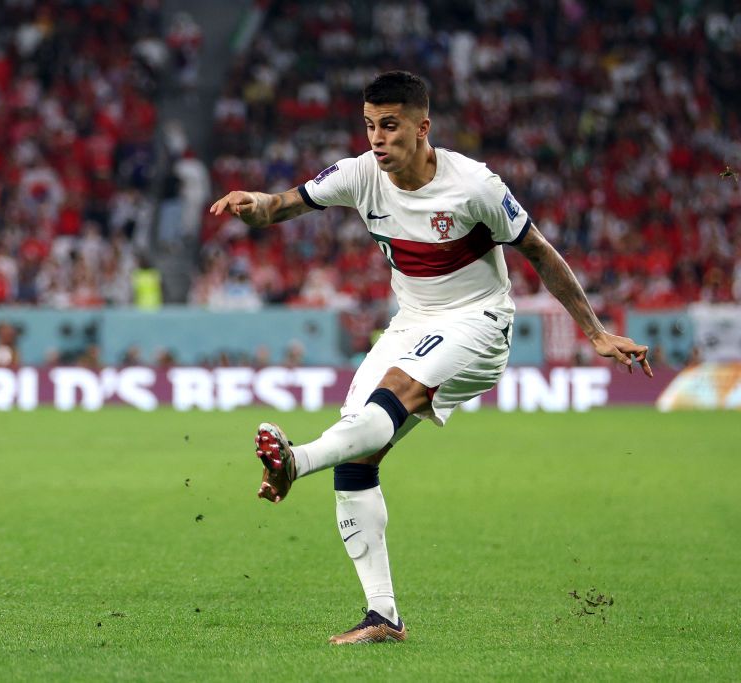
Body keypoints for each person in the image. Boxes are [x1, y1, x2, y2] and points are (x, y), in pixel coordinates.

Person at [208, 71, 652, 646]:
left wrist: (594, 333)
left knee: (392, 394)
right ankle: (383, 617)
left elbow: (539, 251)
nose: (376, 138)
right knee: (359, 452)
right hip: (411, 324)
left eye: (389, 126)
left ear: (423, 128)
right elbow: (283, 206)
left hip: (480, 322)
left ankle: (295, 461)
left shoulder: (475, 187)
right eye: (369, 125)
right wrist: (254, 204)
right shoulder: (359, 174)